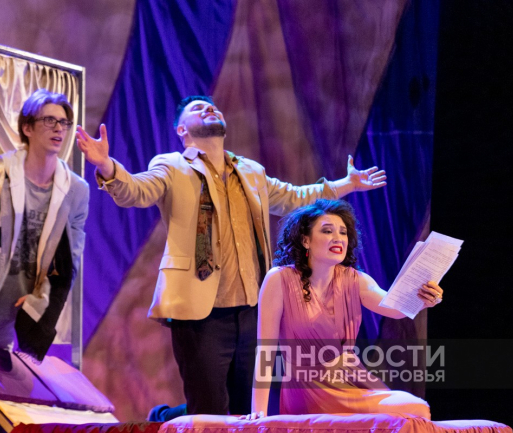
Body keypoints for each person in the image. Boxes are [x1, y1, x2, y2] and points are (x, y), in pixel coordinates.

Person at [75, 95, 386, 415]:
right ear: (182, 130)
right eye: (197, 108)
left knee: (246, 409)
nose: (209, 108)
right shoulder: (171, 166)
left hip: (252, 309)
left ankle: (170, 417)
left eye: (212, 106)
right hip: (200, 311)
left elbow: (294, 197)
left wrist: (345, 184)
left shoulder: (251, 171)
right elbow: (135, 191)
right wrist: (105, 165)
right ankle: (168, 418)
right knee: (210, 408)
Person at [246, 199, 442, 419]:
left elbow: (395, 308)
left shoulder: (356, 280)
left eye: (343, 232)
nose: (338, 238)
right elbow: (266, 350)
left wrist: (423, 298)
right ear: (305, 240)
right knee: (410, 410)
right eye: (327, 231)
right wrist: (258, 412)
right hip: (307, 388)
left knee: (416, 408)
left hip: (352, 378)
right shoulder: (279, 279)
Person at [0, 89, 89, 361]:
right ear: (27, 128)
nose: (58, 128)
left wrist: (41, 303)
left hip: (9, 326)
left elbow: (68, 263)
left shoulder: (76, 190)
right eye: (49, 120)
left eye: (63, 122)